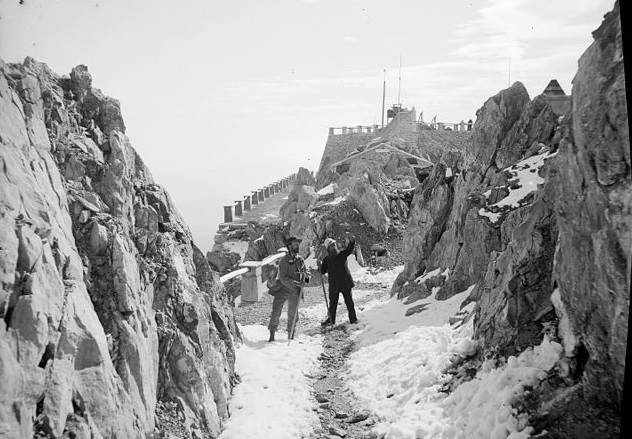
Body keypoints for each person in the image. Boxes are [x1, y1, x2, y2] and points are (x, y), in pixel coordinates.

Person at [267, 237, 309, 342]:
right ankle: (272, 334)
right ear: (289, 246)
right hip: (283, 289)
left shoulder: (300, 259)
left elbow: (305, 272)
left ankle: (291, 334)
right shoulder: (284, 261)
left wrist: (307, 277)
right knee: (276, 312)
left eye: (297, 244)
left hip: (296, 291)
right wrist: (296, 283)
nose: (297, 246)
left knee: (293, 313)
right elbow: (283, 278)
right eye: (295, 244)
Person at [319, 236, 358, 325]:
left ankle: (353, 319)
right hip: (334, 285)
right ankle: (331, 319)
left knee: (349, 302)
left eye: (334, 244)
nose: (334, 246)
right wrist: (320, 265)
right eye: (332, 245)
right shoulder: (326, 260)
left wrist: (352, 242)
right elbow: (322, 271)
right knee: (332, 304)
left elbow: (349, 249)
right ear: (328, 248)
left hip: (345, 282)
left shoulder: (342, 254)